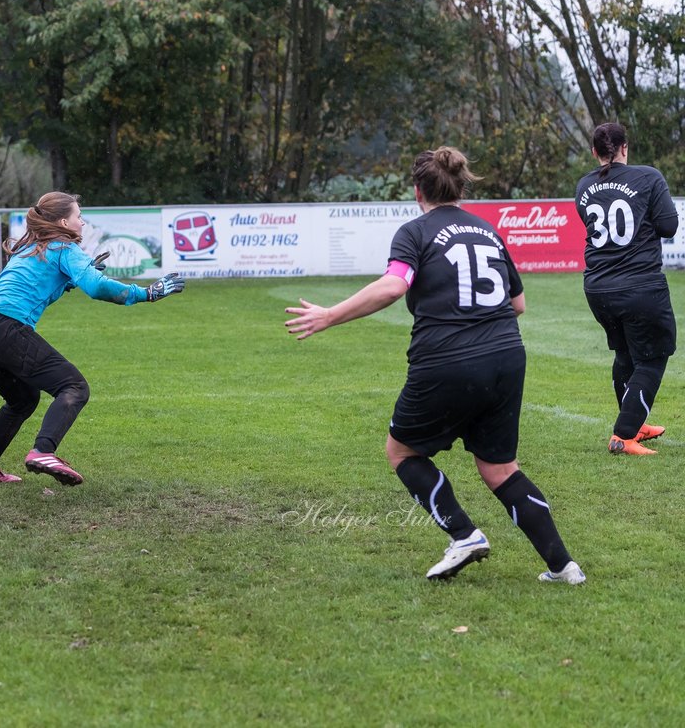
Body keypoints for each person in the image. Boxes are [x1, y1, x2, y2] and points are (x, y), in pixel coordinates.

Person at [284, 147, 585, 585]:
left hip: (448, 360)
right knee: (501, 469)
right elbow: (517, 304)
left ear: (417, 190)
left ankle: (463, 535)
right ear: (461, 187)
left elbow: (392, 286)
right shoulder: (487, 230)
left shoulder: (415, 232)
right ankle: (564, 567)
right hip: (507, 356)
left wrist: (330, 315)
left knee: (402, 450)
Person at [0, 191, 185, 485]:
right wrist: (147, 293)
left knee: (22, 400)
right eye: (78, 216)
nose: (82, 222)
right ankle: (43, 451)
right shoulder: (63, 248)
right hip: (6, 329)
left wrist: (67, 282)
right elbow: (96, 288)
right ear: (62, 222)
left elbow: (37, 287)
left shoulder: (30, 247)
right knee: (74, 386)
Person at [575, 121, 678, 456]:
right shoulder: (648, 176)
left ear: (594, 152)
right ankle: (623, 435)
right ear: (625, 148)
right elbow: (668, 225)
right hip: (639, 284)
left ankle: (633, 421)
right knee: (653, 357)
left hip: (598, 287)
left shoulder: (584, 185)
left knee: (625, 354)